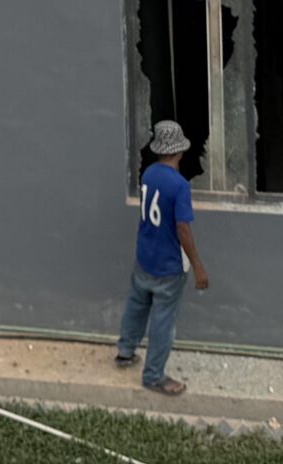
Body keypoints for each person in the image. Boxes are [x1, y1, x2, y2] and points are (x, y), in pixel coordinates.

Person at [114, 119, 208, 395]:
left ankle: (125, 351)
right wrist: (199, 267)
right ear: (179, 152)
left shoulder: (149, 175)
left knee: (136, 305)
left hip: (144, 258)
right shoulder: (180, 186)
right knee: (163, 321)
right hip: (168, 266)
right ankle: (154, 375)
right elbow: (183, 228)